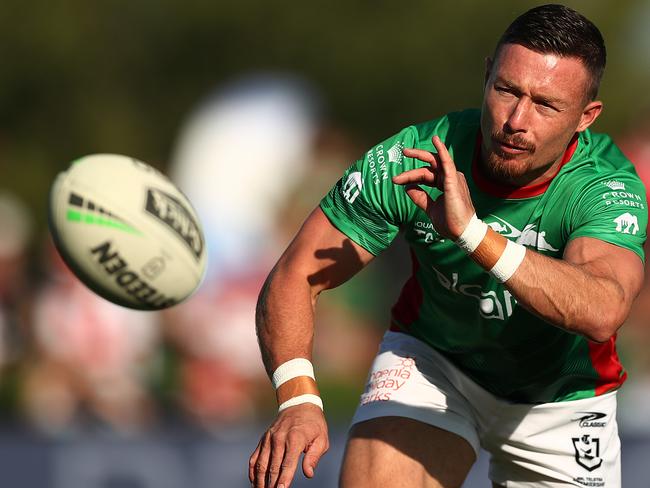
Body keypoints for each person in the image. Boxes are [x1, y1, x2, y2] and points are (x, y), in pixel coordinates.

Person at [249, 4, 647, 487]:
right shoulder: (413, 157)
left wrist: (473, 234)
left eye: (545, 105)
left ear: (586, 117)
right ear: (486, 76)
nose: (516, 120)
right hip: (435, 364)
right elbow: (296, 275)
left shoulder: (604, 186)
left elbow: (603, 308)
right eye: (506, 90)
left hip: (562, 398)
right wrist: (298, 398)